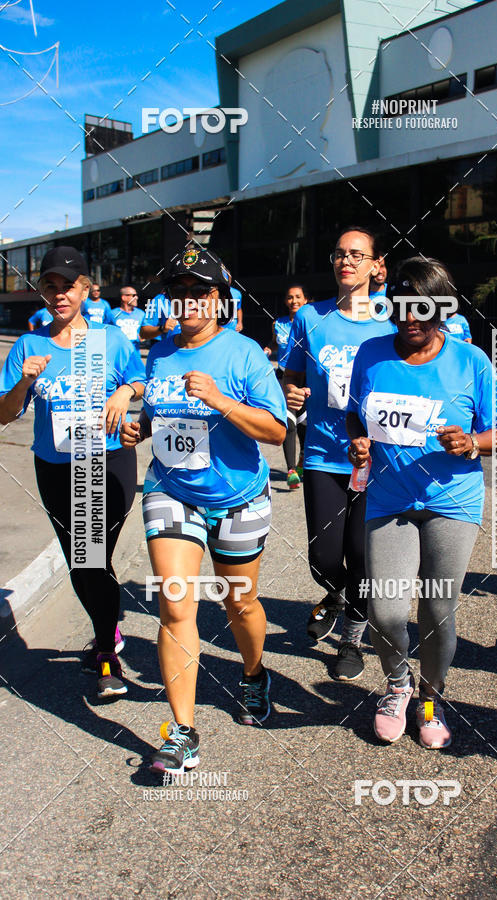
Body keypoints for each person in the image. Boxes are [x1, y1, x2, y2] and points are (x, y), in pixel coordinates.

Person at [121, 246, 286, 775]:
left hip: (238, 496)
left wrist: (221, 400)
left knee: (239, 604)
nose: (188, 302)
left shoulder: (244, 355)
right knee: (176, 604)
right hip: (172, 491)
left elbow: (277, 431)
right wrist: (139, 428)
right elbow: (158, 416)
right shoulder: (162, 353)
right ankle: (182, 734)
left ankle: (255, 673)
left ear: (219, 300)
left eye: (200, 293)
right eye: (180, 293)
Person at [346, 257, 497, 748]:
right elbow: (356, 415)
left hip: (451, 501)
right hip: (389, 500)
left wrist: (471, 443)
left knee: (437, 611)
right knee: (387, 610)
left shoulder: (471, 360)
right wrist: (359, 442)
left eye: (422, 309)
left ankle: (431, 696)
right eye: (401, 308)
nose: (410, 319)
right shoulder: (371, 354)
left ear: (441, 309)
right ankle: (397, 685)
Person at [0, 247, 145, 699]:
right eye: (50, 286)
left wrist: (125, 390)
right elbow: (4, 415)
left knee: (90, 555)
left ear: (86, 289)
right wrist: (24, 381)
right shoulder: (31, 345)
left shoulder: (109, 340)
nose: (59, 295)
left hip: (108, 460)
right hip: (56, 465)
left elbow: (141, 378)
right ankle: (108, 635)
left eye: (68, 286)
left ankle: (106, 652)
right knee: (83, 560)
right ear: (41, 292)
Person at [283, 226, 396, 681]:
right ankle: (333, 594)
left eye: (356, 254)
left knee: (364, 557)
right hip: (323, 456)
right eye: (338, 253)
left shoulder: (393, 321)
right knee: (325, 559)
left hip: (379, 461)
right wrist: (291, 393)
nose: (345, 260)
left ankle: (350, 640)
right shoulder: (310, 318)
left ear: (375, 265)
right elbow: (289, 376)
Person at [264, 283, 309, 489]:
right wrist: (268, 348)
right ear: (285, 301)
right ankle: (291, 470)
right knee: (288, 422)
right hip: (284, 376)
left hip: (306, 377)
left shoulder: (311, 323)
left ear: (306, 300)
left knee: (304, 425)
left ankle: (301, 460)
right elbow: (275, 343)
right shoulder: (278, 323)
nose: (294, 301)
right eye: (290, 297)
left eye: (298, 297)